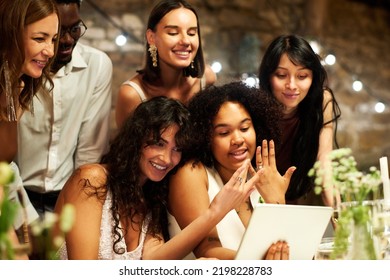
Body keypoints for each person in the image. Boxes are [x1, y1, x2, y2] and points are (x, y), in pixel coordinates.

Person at [53, 96, 275, 260]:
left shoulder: (150, 198)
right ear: (136, 139)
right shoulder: (92, 180)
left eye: (177, 148)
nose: (167, 158)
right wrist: (215, 212)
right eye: (159, 143)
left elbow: (154, 262)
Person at [168, 82, 295, 259]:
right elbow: (205, 250)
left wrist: (277, 201)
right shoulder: (192, 173)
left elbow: (282, 249)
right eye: (223, 133)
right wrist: (260, 263)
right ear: (206, 136)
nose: (237, 139)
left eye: (244, 128)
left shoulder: (260, 176)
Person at [15, 0, 113, 215]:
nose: (68, 40)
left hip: (68, 195)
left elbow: (89, 153)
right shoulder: (18, 71)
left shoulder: (97, 65)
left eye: (75, 28)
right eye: (58, 32)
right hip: (15, 194)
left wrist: (73, 211)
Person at [0, 0, 60, 246]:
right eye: (40, 39)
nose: (50, 51)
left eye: (53, 39)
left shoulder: (17, 86)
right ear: (9, 35)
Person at [257, 34, 341, 207]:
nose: (292, 85)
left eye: (302, 76)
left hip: (292, 202)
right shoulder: (253, 107)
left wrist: (339, 215)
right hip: (254, 202)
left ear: (312, 77)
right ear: (268, 77)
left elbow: (324, 162)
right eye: (281, 75)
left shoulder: (322, 101)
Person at [115, 0, 216, 128]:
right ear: (151, 37)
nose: (185, 41)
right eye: (173, 32)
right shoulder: (132, 95)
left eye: (191, 33)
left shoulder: (206, 78)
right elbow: (125, 147)